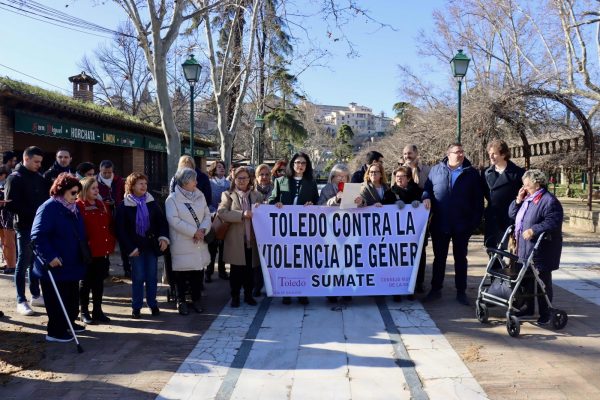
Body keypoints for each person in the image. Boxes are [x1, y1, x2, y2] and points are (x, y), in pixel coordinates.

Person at [422, 143, 484, 306]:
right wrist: (426, 196)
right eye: (457, 152)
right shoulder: (436, 170)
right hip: (440, 223)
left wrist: (473, 224)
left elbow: (478, 200)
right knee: (439, 259)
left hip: (462, 225)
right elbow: (427, 188)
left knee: (460, 259)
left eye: (462, 152)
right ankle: (435, 290)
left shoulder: (471, 173)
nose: (461, 154)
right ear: (448, 154)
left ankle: (461, 292)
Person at [31, 173, 87, 342]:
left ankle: (69, 323)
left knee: (71, 298)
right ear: (62, 191)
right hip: (55, 264)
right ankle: (55, 331)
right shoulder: (49, 207)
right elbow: (38, 235)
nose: (75, 196)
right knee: (57, 300)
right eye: (72, 192)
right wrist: (50, 256)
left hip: (72, 262)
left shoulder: (73, 208)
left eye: (77, 192)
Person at [508, 169, 563, 325]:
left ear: (538, 184)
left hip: (542, 249)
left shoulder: (549, 200)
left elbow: (553, 221)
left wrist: (534, 229)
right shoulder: (528, 198)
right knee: (526, 280)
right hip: (524, 247)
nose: (525, 188)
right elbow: (512, 215)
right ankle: (528, 307)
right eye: (523, 185)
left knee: (542, 281)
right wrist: (518, 200)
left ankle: (546, 312)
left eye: (528, 185)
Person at [116, 173, 169, 319]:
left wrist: (163, 238)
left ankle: (152, 304)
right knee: (138, 277)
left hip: (151, 246)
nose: (144, 186)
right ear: (132, 186)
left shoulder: (152, 202)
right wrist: (130, 248)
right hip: (135, 248)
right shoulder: (124, 206)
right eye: (140, 183)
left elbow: (161, 222)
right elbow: (120, 230)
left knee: (152, 276)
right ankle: (136, 306)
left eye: (145, 183)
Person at [269, 152, 319, 305]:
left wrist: (312, 205)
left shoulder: (311, 182)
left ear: (307, 165)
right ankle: (286, 292)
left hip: (304, 229)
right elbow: (272, 200)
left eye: (303, 163)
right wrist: (275, 204)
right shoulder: (280, 181)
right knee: (287, 260)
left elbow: (317, 203)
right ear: (292, 164)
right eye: (297, 162)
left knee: (302, 260)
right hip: (285, 229)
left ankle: (302, 292)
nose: (300, 165)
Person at [5, 146, 49, 316]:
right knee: (23, 262)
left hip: (39, 227)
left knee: (35, 263)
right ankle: (20, 299)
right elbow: (10, 205)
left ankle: (35, 295)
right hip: (24, 227)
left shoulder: (39, 177)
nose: (39, 165)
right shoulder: (14, 178)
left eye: (40, 162)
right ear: (26, 159)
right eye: (36, 161)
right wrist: (33, 211)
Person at [165, 168, 211, 315]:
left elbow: (207, 215)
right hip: (183, 242)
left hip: (199, 242)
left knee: (197, 273)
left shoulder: (200, 195)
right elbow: (174, 220)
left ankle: (196, 300)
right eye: (194, 180)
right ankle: (181, 301)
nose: (196, 182)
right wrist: (193, 232)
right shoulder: (172, 199)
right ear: (185, 182)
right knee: (181, 274)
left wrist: (203, 230)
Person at [219, 166, 264, 307]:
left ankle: (248, 296)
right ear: (234, 179)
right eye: (239, 178)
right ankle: (235, 297)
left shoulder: (257, 195)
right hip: (236, 240)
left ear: (250, 179)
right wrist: (242, 214)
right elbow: (222, 212)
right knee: (236, 271)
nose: (242, 181)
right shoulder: (227, 195)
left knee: (250, 271)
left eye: (245, 178)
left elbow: (265, 211)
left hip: (252, 239)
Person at [318, 163, 361, 303]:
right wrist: (335, 199)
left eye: (344, 176)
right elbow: (319, 206)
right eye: (338, 176)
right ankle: (332, 291)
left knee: (348, 260)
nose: (341, 179)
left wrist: (361, 201)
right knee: (332, 261)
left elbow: (361, 207)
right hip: (331, 231)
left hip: (348, 230)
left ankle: (346, 290)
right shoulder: (327, 189)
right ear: (333, 177)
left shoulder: (353, 189)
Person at [76, 177, 116, 324]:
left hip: (102, 250)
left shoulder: (102, 205)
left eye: (97, 188)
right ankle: (84, 311)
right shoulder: (79, 206)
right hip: (87, 251)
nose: (96, 191)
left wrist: (110, 241)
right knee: (85, 282)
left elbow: (109, 224)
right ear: (84, 190)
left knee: (98, 282)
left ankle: (97, 310)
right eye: (93, 188)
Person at [384, 166, 425, 301]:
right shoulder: (390, 192)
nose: (399, 179)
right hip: (396, 236)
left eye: (402, 177)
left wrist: (419, 204)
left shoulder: (418, 191)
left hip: (414, 235)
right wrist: (393, 204)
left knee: (414, 262)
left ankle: (414, 286)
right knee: (397, 262)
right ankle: (397, 290)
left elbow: (426, 204)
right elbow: (384, 209)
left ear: (408, 178)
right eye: (397, 177)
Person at [482, 139, 525, 249]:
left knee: (512, 251)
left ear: (504, 154)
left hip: (510, 217)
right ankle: (494, 266)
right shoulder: (486, 173)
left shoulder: (518, 173)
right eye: (489, 154)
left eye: (494, 154)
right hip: (492, 217)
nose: (491, 157)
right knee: (491, 248)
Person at [96, 160, 128, 276]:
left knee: (123, 241)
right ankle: (105, 269)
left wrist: (116, 202)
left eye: (109, 172)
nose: (107, 175)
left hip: (118, 213)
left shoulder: (119, 181)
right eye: (104, 172)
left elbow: (124, 196)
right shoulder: (95, 181)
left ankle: (127, 268)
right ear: (100, 171)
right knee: (105, 241)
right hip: (103, 214)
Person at [206, 160, 229, 282]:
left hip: (225, 220)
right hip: (212, 218)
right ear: (214, 169)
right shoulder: (209, 184)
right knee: (212, 247)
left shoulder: (228, 183)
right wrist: (214, 212)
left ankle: (222, 271)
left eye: (223, 167)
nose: (222, 169)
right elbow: (206, 201)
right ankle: (209, 272)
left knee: (224, 247)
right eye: (219, 167)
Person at [0, 166, 16, 275]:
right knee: (4, 243)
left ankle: (12, 266)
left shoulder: (9, 183)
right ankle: (7, 263)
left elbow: (9, 200)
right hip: (2, 216)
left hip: (8, 217)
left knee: (9, 242)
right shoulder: (3, 184)